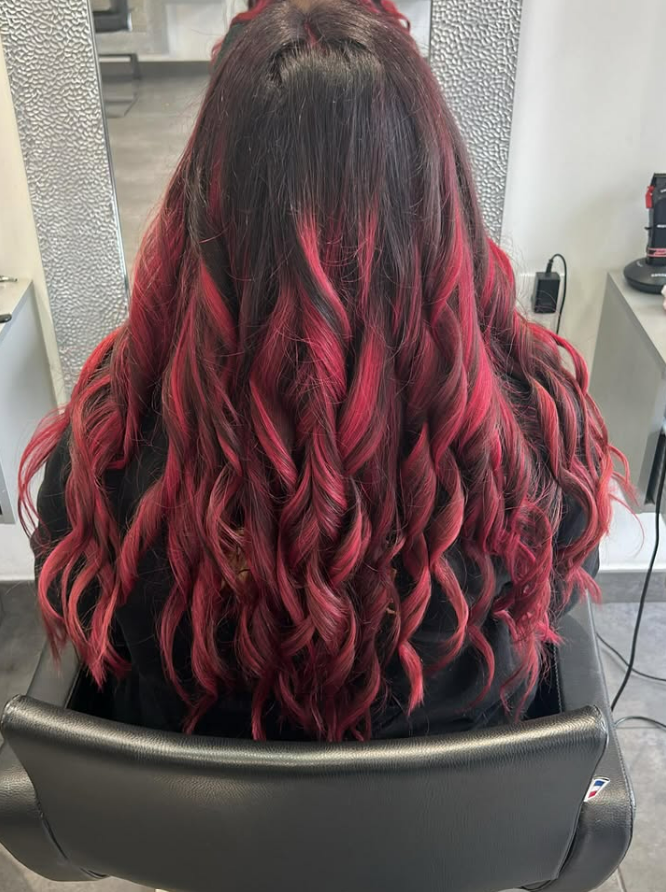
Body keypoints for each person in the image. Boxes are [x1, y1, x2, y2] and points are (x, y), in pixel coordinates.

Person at [19, 0, 621, 743]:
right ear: (437, 197)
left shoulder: (108, 437)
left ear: (206, 196)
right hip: (450, 834)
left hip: (205, 835)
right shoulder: (542, 434)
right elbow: (555, 602)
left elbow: (97, 650)